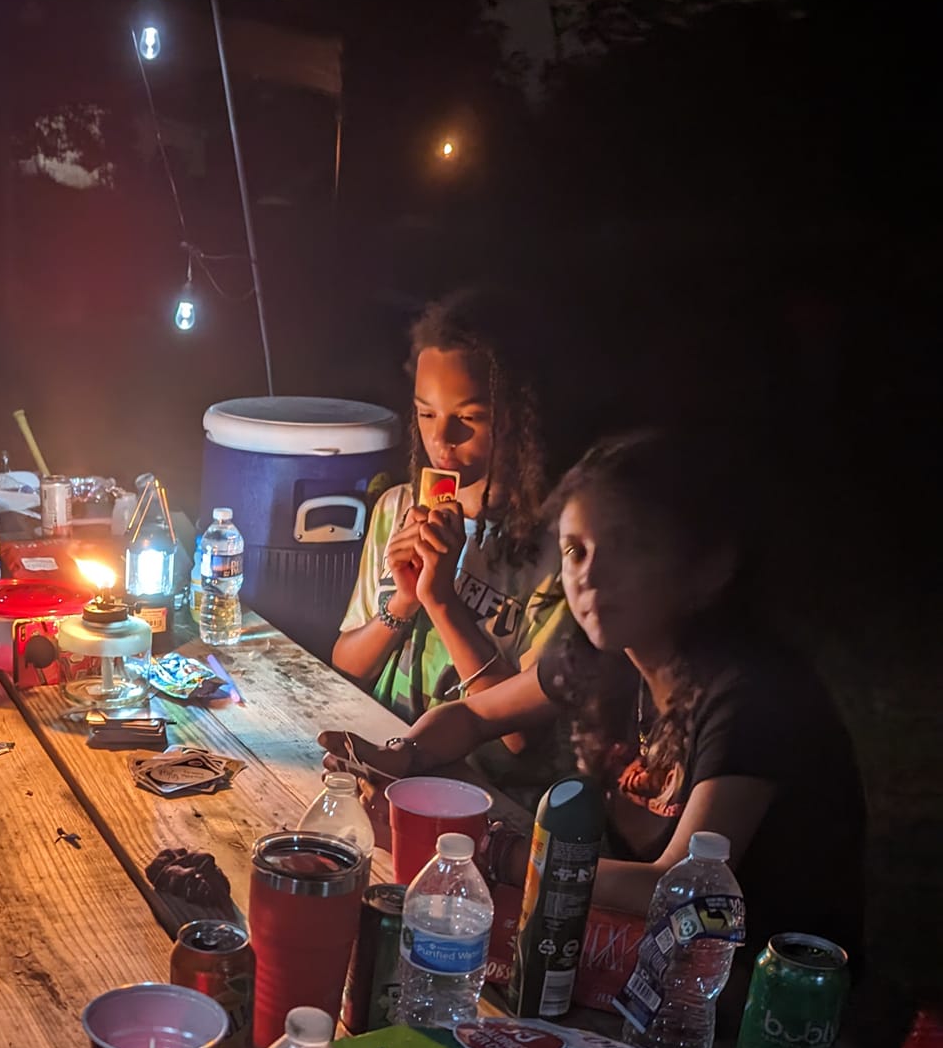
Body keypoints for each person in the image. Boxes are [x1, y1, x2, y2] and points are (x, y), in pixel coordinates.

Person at [321, 428, 866, 960]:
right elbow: (469, 716)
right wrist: (400, 755)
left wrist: (495, 852)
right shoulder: (606, 655)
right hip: (644, 954)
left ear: (708, 568)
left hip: (755, 992)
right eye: (575, 550)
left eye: (627, 547)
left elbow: (678, 887)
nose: (590, 575)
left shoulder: (753, 699)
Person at [332, 289, 569, 797]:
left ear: (515, 416)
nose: (443, 439)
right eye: (426, 414)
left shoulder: (559, 548)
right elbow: (348, 663)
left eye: (470, 418)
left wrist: (441, 603)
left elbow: (520, 737)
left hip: (486, 796)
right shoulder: (398, 509)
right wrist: (402, 600)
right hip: (383, 763)